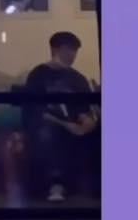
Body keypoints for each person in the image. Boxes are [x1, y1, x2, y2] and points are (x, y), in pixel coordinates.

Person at [23, 32, 99, 202]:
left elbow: (84, 109)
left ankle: (99, 188)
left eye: (75, 51)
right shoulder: (38, 74)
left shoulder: (78, 78)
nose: (72, 55)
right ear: (55, 49)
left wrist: (88, 122)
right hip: (49, 122)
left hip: (74, 124)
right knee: (46, 132)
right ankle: (55, 184)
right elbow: (34, 109)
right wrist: (66, 125)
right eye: (68, 49)